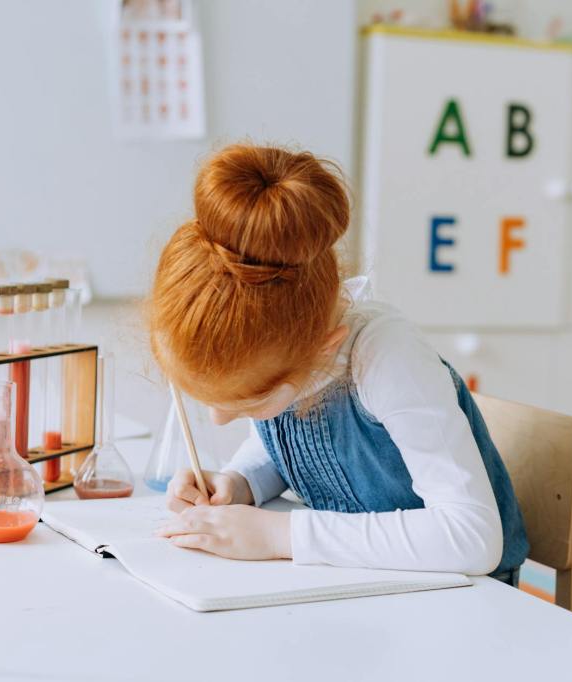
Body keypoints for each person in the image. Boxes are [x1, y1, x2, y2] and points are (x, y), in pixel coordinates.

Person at [149, 144, 528, 584]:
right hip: (364, 586)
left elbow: (472, 536)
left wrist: (279, 534)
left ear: (324, 349)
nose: (219, 419)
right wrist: (240, 483)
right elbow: (286, 444)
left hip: (468, 596)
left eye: (249, 402)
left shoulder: (388, 359)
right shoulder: (287, 345)